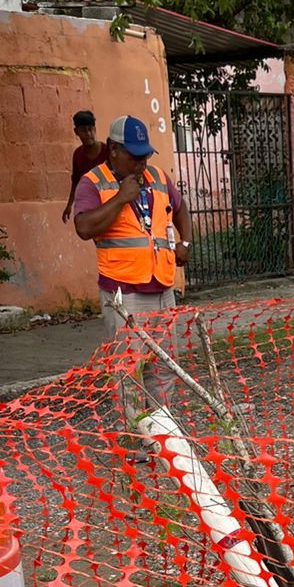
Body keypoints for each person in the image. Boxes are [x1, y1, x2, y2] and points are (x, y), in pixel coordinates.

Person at [73, 116, 191, 397]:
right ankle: (137, 435)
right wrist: (120, 198)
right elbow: (84, 227)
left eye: (146, 155)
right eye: (135, 156)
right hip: (123, 294)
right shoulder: (93, 182)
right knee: (129, 372)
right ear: (113, 149)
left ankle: (163, 431)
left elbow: (181, 207)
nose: (142, 163)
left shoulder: (158, 177)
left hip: (163, 288)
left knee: (164, 367)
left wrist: (185, 242)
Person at [62, 111, 106, 225]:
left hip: (109, 203)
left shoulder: (107, 151)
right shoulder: (77, 155)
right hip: (92, 206)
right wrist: (69, 206)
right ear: (76, 132)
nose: (88, 134)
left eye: (90, 129)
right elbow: (76, 181)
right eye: (83, 130)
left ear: (94, 129)